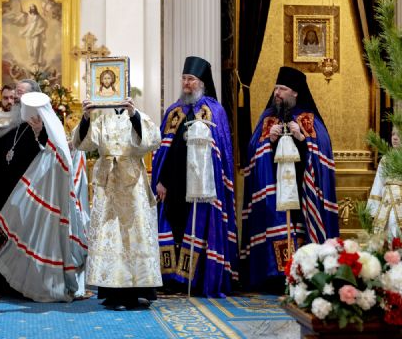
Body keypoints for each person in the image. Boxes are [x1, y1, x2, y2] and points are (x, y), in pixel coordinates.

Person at [0, 79, 87, 302]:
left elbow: (56, 154)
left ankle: (25, 284)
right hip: (6, 192)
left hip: (31, 198)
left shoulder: (47, 124)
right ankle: (1, 281)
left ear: (33, 97)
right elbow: (0, 149)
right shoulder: (16, 125)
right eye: (15, 93)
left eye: (20, 93)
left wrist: (40, 132)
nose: (15, 97)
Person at [240, 66, 338, 291]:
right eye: (276, 88)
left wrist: (302, 138)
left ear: (295, 92)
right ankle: (273, 276)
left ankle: (303, 275)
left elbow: (321, 150)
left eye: (282, 89)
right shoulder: (268, 119)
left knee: (300, 229)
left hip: (302, 192)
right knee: (273, 227)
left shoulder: (309, 119)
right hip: (273, 190)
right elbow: (252, 151)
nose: (277, 93)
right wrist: (269, 141)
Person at [152, 56, 238, 298]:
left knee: (198, 228)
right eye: (184, 79)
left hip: (201, 187)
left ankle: (196, 279)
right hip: (172, 186)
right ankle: (171, 278)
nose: (186, 83)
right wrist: (160, 180)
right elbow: (164, 151)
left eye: (191, 79)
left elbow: (220, 155)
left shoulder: (214, 111)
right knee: (173, 228)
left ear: (202, 82)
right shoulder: (174, 111)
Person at [73, 97, 162, 311]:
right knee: (110, 237)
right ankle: (112, 293)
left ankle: (138, 292)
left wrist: (134, 116)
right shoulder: (102, 119)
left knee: (134, 235)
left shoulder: (139, 116)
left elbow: (153, 140)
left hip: (132, 185)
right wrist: (86, 117)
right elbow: (82, 143)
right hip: (108, 184)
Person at [367, 127, 402, 240]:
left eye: (399, 135)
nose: (395, 138)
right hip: (387, 206)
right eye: (393, 134)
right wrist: (372, 209)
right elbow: (378, 184)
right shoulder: (386, 160)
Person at [8, 4, 47, 68]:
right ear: (30, 9)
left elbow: (44, 24)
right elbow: (24, 14)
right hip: (29, 33)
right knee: (30, 49)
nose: (32, 9)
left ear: (35, 9)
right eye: (31, 8)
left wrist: (41, 29)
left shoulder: (38, 16)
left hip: (36, 33)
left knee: (36, 47)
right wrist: (22, 12)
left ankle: (36, 62)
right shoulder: (28, 15)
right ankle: (32, 61)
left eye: (33, 8)